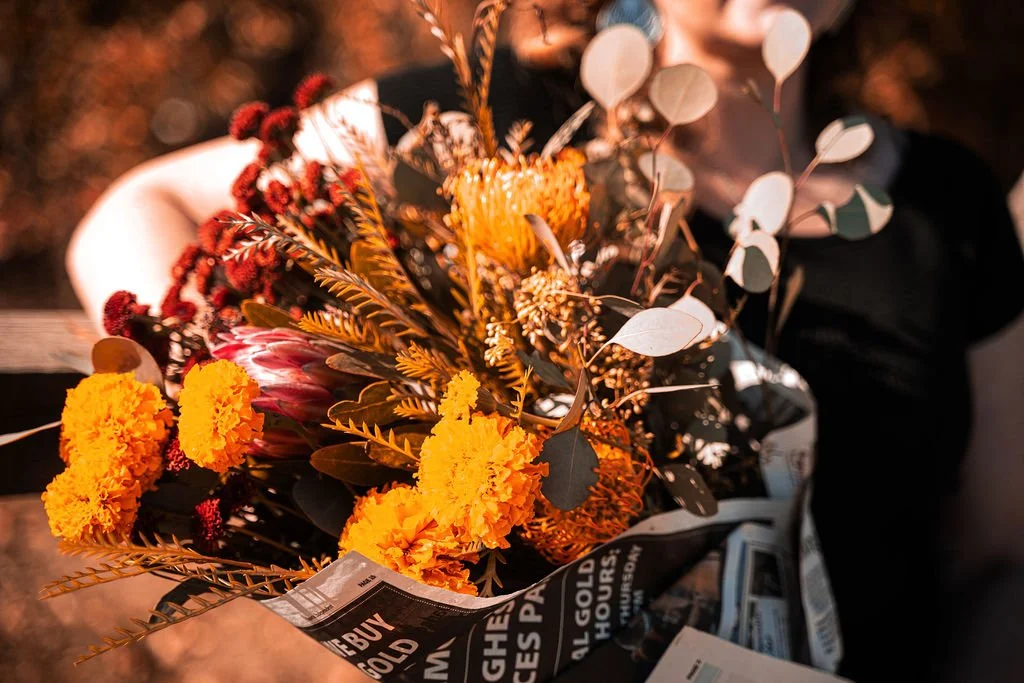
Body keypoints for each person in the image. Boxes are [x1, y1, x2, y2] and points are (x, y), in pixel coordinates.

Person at [67, 0, 1024, 679]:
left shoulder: (948, 205)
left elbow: (994, 563)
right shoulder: (492, 121)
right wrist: (247, 384)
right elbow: (136, 210)